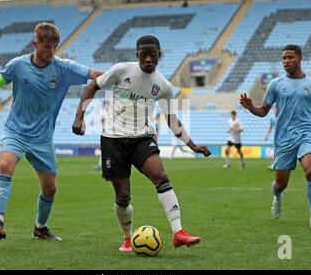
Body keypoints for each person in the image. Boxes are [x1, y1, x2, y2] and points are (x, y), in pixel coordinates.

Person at [0, 22, 104, 241]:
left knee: (50, 188)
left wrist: (128, 75)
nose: (51, 51)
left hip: (43, 138)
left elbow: (96, 75)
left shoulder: (64, 68)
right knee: (5, 164)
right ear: (35, 43)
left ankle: (40, 227)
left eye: (55, 46)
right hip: (15, 132)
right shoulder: (16, 66)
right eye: (47, 46)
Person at [72, 35, 211, 252]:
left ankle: (178, 232)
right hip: (113, 139)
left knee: (161, 177)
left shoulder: (164, 87)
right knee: (123, 196)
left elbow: (172, 119)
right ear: (137, 55)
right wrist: (79, 117)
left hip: (141, 138)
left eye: (152, 55)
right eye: (143, 55)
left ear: (159, 55)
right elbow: (91, 87)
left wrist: (192, 144)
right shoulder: (121, 70)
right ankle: (127, 237)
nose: (147, 59)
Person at [239, 44, 311, 232]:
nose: (286, 62)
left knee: (310, 171)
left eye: (290, 57)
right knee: (281, 184)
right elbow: (264, 111)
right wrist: (251, 107)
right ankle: (278, 195)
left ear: (300, 58)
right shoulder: (276, 84)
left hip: (307, 134)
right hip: (284, 139)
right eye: (283, 58)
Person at [94, 100, 110, 171]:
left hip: (111, 133)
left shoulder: (110, 112)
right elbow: (101, 120)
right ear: (104, 105)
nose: (108, 106)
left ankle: (105, 165)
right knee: (104, 150)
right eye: (107, 104)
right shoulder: (102, 112)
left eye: (108, 104)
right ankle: (100, 165)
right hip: (105, 133)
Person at [264, 106, 278, 171]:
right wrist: (267, 135)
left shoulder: (282, 116)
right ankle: (273, 165)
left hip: (284, 136)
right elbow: (270, 127)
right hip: (276, 137)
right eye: (274, 108)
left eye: (276, 108)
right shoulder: (272, 117)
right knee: (275, 151)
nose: (275, 110)